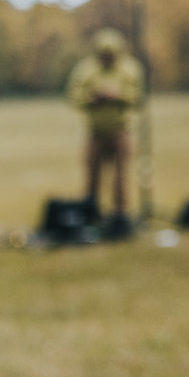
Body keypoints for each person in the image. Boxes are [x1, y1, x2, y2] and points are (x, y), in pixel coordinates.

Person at [65, 28, 145, 232]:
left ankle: (120, 216)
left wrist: (118, 96)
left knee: (121, 177)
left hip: (120, 131)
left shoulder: (131, 69)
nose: (107, 60)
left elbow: (138, 98)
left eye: (111, 56)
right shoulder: (85, 70)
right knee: (91, 176)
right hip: (95, 133)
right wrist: (92, 98)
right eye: (104, 56)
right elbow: (73, 97)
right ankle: (90, 213)